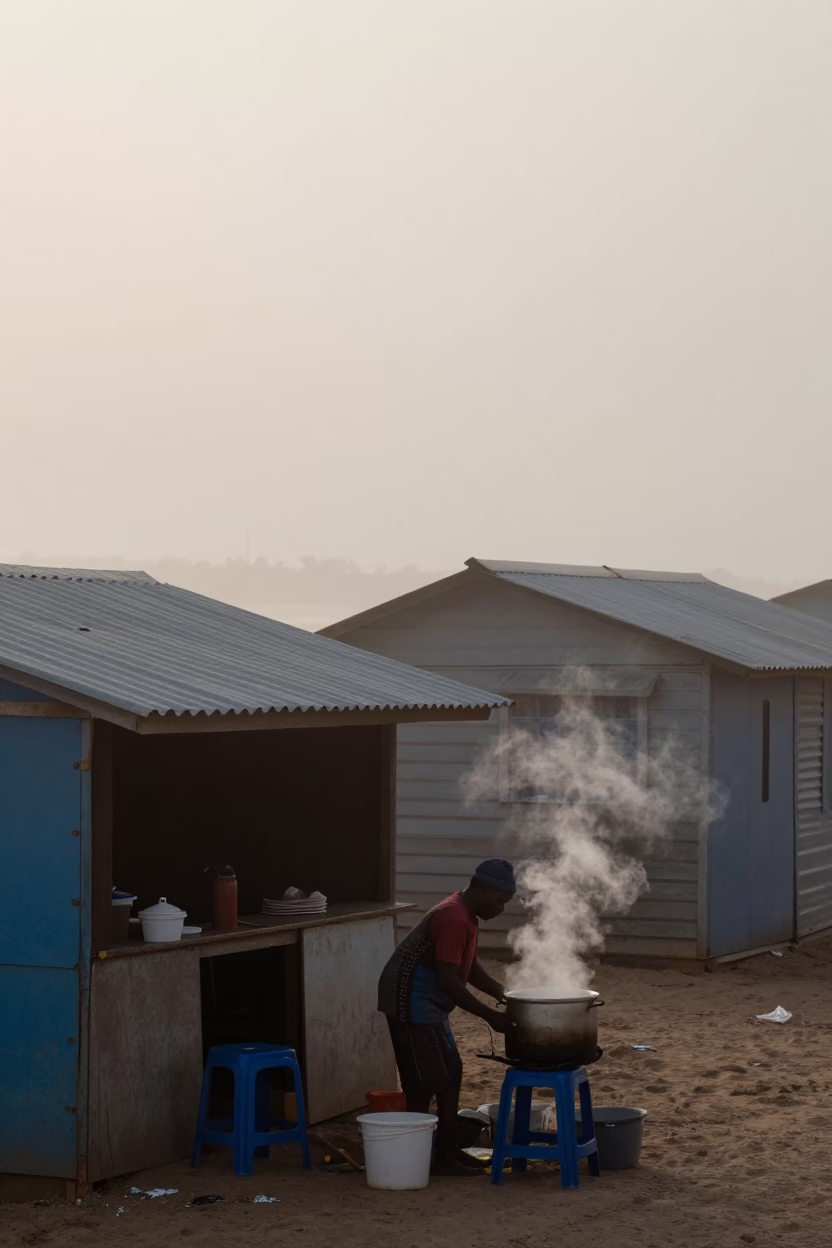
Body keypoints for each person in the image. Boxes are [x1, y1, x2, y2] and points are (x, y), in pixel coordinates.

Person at [377, 858, 516, 1176]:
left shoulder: (468, 914)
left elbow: (468, 965)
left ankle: (447, 1151)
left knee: (450, 1069)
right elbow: (448, 980)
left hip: (428, 1003)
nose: (501, 909)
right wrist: (488, 1017)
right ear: (483, 889)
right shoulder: (454, 916)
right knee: (423, 1081)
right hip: (409, 1000)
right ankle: (423, 1159)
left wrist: (499, 991)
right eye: (499, 900)